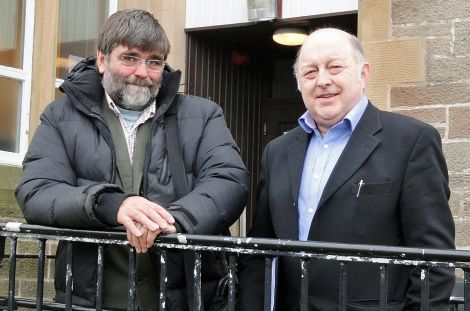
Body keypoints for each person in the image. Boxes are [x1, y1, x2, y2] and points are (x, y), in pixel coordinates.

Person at [15, 9, 249, 311]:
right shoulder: (60, 116)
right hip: (91, 300)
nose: (143, 72)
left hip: (185, 299)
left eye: (154, 61)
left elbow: (229, 180)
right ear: (102, 60)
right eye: (130, 58)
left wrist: (174, 220)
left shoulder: (203, 115)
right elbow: (36, 191)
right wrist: (111, 204)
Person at [238, 28, 455, 310]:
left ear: (363, 73)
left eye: (335, 67)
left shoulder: (412, 141)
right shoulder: (277, 151)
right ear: (299, 83)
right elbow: (261, 252)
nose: (323, 81)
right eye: (310, 72)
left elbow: (433, 259)